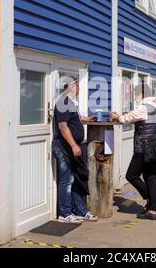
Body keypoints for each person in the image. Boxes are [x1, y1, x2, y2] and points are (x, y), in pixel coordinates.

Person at [110, 83, 156, 221]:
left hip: (142, 149)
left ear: (142, 94)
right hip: (153, 148)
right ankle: (152, 210)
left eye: (136, 93)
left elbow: (128, 118)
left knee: (131, 175)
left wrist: (117, 117)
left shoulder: (144, 107)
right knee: (151, 178)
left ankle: (149, 198)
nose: (135, 96)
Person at [52, 77, 98, 223]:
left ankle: (80, 211)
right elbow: (63, 126)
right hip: (64, 147)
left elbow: (72, 119)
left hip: (71, 147)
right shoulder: (63, 102)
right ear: (71, 87)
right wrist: (74, 145)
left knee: (76, 179)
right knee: (67, 179)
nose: (79, 87)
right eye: (77, 84)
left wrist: (86, 119)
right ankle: (64, 214)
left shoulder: (70, 103)